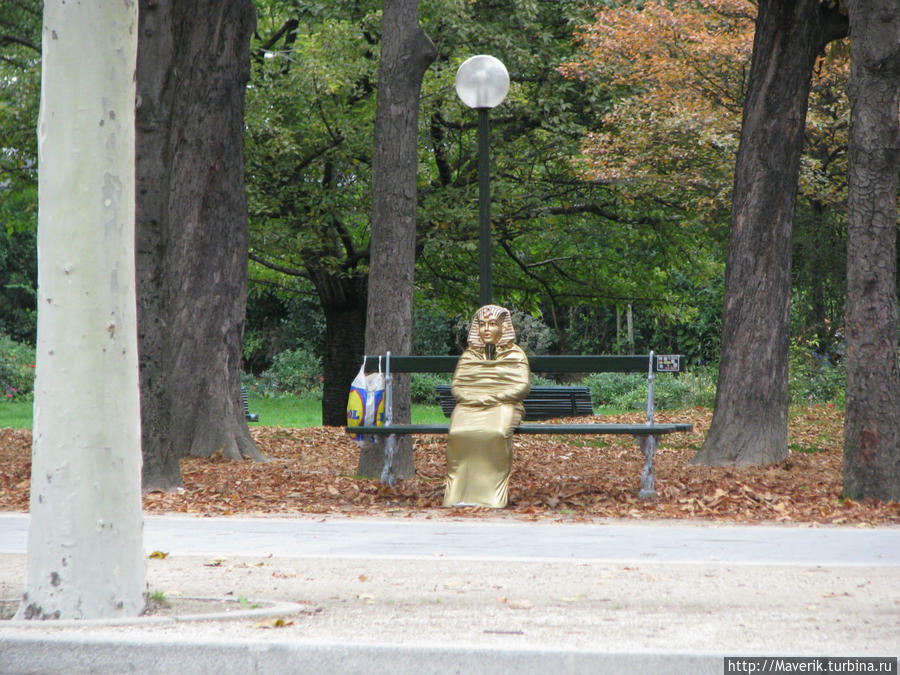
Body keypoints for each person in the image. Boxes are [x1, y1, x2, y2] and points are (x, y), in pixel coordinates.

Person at [443, 304, 530, 508]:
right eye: (482, 325)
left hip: (504, 405)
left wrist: (490, 398)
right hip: (470, 406)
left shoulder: (516, 355)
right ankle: (458, 494)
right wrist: (477, 400)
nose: (487, 329)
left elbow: (521, 387)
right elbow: (457, 387)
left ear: (503, 328)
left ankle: (491, 496)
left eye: (492, 324)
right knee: (458, 432)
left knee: (496, 433)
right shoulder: (468, 357)